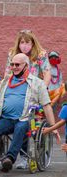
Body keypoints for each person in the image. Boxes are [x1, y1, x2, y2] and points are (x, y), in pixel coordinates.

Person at [0, 53, 57, 173]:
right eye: (12, 64)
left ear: (26, 66)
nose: (14, 67)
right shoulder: (5, 82)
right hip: (7, 119)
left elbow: (46, 105)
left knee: (20, 128)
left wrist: (53, 127)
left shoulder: (37, 83)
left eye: (17, 64)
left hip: (26, 120)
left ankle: (9, 159)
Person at [5, 30, 52, 169]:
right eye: (22, 42)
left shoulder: (41, 55)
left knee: (27, 121)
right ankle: (19, 155)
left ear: (33, 43)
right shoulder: (12, 54)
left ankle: (26, 156)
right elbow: (7, 74)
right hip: (17, 92)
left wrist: (42, 89)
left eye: (27, 42)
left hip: (34, 92)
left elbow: (47, 73)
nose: (24, 45)